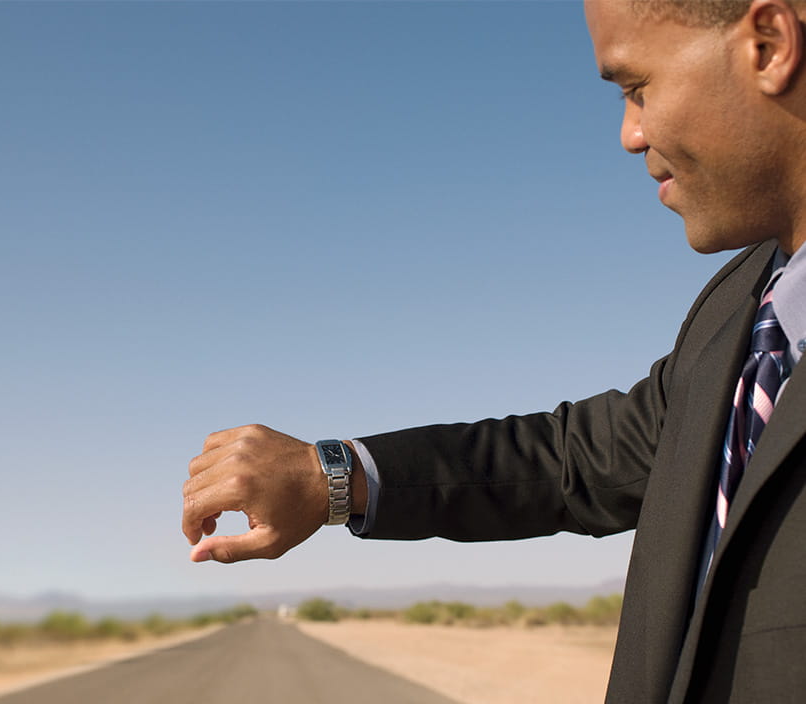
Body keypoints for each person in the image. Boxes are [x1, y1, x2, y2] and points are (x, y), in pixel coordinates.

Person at [181, 0, 806, 701]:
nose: (631, 134)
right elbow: (575, 459)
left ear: (768, 44)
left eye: (636, 89)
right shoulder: (737, 308)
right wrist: (331, 477)